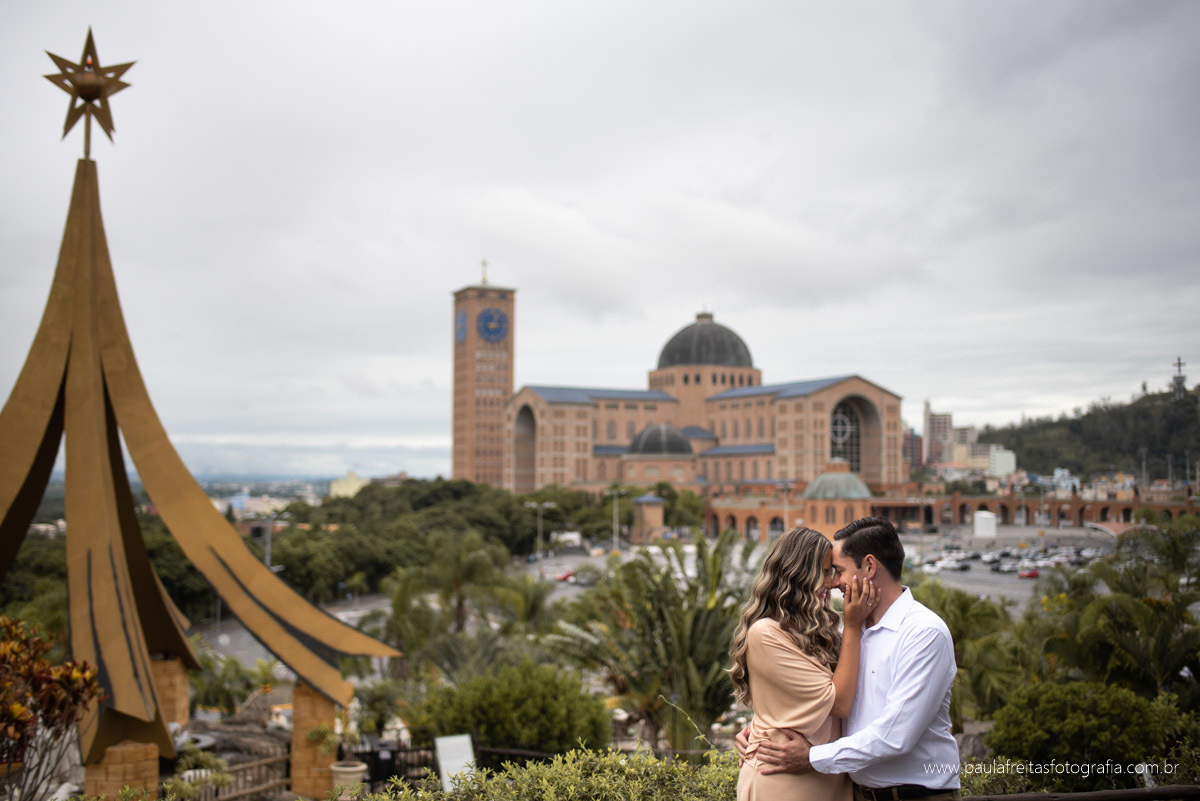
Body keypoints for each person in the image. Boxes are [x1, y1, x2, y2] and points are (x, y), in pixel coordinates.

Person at [737, 517, 961, 801]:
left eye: (838, 571)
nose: (834, 584)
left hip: (915, 795)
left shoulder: (923, 633)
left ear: (869, 567)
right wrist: (761, 732)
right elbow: (809, 695)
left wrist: (812, 757)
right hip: (855, 793)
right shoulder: (845, 632)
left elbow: (895, 737)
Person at [729, 526, 877, 801]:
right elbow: (840, 703)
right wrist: (854, 625)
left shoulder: (822, 631)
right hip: (784, 783)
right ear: (798, 575)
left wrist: (759, 723)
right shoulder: (765, 632)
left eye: (833, 572)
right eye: (823, 572)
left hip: (827, 778)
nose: (832, 583)